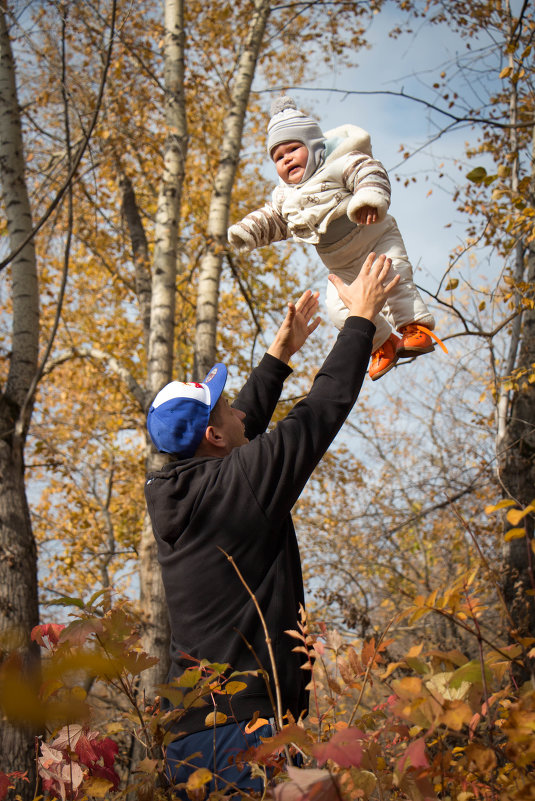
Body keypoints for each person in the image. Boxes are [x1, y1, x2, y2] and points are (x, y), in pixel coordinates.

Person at [144, 253, 399, 798]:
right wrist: (361, 319)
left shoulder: (184, 489)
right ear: (213, 437)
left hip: (194, 730)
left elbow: (237, 431)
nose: (239, 411)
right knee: (313, 792)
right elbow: (320, 412)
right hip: (240, 728)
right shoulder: (237, 482)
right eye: (224, 408)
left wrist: (279, 356)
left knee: (317, 789)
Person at [228, 96, 443, 380]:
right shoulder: (285, 198)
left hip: (375, 241)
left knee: (395, 278)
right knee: (340, 311)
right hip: (341, 267)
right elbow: (273, 220)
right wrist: (247, 233)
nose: (287, 158)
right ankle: (383, 344)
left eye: (293, 149)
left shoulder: (339, 163)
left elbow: (370, 172)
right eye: (278, 157)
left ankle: (414, 328)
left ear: (315, 147)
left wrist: (368, 198)